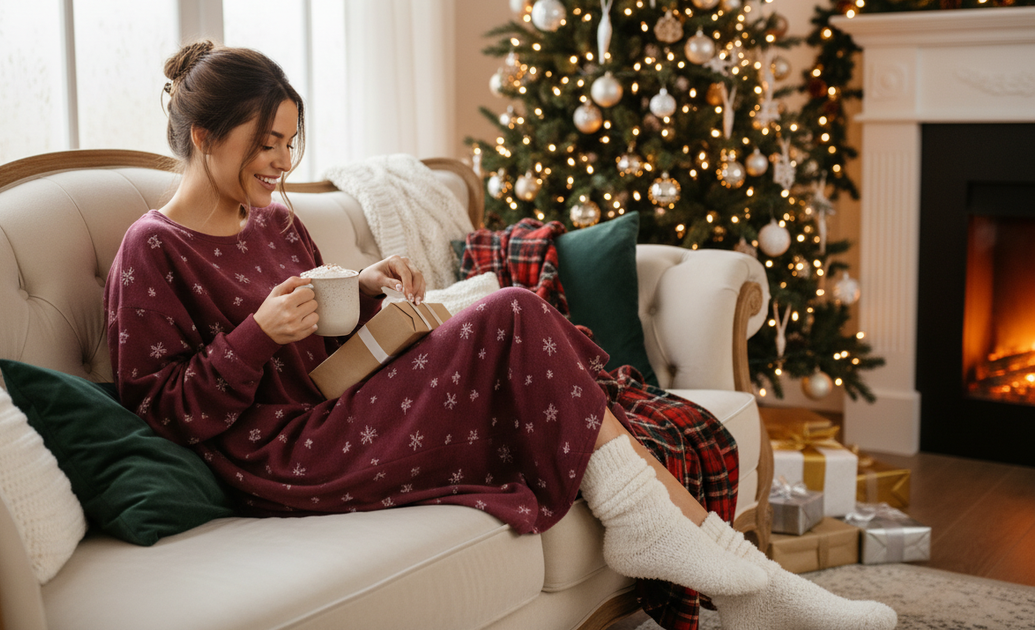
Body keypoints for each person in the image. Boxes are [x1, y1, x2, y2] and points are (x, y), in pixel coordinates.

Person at [104, 41, 896, 630]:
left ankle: (744, 583)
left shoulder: (274, 221)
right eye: (264, 142)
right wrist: (256, 333)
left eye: (288, 143)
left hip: (333, 404)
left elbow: (323, 351)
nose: (279, 163)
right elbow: (160, 407)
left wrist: (373, 290)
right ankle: (711, 561)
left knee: (511, 311)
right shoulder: (153, 247)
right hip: (280, 457)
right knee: (513, 312)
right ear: (205, 135)